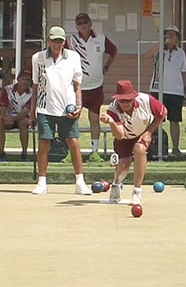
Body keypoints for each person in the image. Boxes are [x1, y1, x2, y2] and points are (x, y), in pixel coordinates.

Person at [30, 26, 92, 195]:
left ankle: (80, 181)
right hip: (45, 107)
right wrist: (32, 111)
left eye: (60, 41)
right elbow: (36, 86)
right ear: (48, 41)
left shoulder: (73, 57)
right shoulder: (38, 58)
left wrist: (79, 106)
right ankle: (42, 181)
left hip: (68, 107)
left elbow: (77, 85)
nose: (57, 44)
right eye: (54, 40)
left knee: (73, 143)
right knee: (44, 144)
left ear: (64, 41)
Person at [99, 80, 165, 206]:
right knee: (124, 163)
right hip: (125, 136)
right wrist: (112, 122)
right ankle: (116, 185)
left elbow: (163, 113)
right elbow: (120, 135)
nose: (125, 103)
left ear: (134, 97)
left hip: (142, 131)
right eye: (122, 100)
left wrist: (149, 132)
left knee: (140, 149)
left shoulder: (146, 100)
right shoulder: (112, 110)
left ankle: (137, 191)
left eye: (128, 100)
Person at [66, 12, 117, 159]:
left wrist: (106, 67)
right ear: (76, 26)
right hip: (77, 87)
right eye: (79, 23)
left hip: (96, 86)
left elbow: (113, 51)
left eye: (85, 22)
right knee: (72, 118)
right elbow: (59, 53)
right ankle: (72, 152)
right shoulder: (71, 40)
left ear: (90, 24)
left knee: (94, 119)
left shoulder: (100, 39)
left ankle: (95, 151)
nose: (83, 25)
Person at [145, 26, 186, 158]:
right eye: (167, 35)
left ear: (178, 38)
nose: (170, 37)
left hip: (176, 91)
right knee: (156, 119)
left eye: (173, 35)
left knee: (174, 120)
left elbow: (184, 71)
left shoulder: (181, 53)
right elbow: (147, 55)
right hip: (157, 89)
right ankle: (154, 146)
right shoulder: (158, 51)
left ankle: (175, 148)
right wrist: (161, 43)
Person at [0, 70, 34, 161]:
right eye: (23, 79)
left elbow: (25, 112)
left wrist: (13, 118)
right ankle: (1, 152)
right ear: (18, 79)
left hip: (24, 118)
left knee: (22, 123)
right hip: (8, 117)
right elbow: (2, 107)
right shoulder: (7, 90)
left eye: (28, 80)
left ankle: (24, 153)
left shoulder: (32, 93)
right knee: (0, 122)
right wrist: (5, 118)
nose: (26, 82)